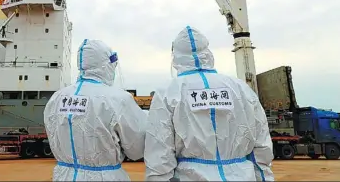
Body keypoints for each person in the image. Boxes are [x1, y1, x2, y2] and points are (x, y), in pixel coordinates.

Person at [144, 25, 274, 181]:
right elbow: (261, 146)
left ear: (176, 56)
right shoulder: (240, 89)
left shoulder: (168, 93)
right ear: (208, 52)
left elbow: (160, 154)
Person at [44, 39, 147, 181]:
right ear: (107, 65)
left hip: (64, 176)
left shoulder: (56, 98)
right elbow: (136, 149)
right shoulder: (118, 99)